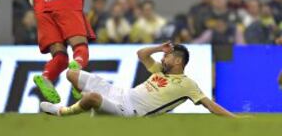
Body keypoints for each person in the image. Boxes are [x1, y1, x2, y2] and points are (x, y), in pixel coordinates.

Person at [40, 42, 236, 117]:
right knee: (70, 74)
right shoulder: (160, 70)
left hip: (130, 112)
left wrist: (235, 119)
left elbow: (210, 105)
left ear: (177, 60)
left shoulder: (188, 84)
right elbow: (141, 54)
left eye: (167, 56)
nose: (162, 58)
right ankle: (81, 96)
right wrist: (160, 48)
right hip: (120, 93)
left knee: (92, 98)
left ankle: (62, 112)